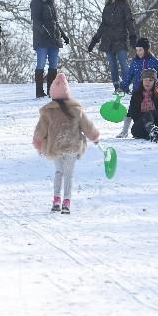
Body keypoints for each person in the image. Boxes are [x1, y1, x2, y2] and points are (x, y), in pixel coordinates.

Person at [32, 74, 100, 215]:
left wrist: (38, 143)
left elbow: (40, 131)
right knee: (69, 174)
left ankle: (56, 200)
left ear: (52, 94)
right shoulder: (76, 110)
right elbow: (87, 127)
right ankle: (66, 203)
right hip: (72, 146)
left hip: (55, 146)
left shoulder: (48, 112)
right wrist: (94, 137)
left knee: (59, 172)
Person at [88, 0, 138, 91]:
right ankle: (117, 87)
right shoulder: (107, 7)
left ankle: (126, 86)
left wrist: (133, 37)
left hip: (120, 40)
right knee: (113, 65)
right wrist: (94, 40)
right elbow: (102, 25)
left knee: (123, 64)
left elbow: (129, 21)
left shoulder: (124, 6)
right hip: (107, 41)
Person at [31, 0, 68, 98]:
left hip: (54, 38)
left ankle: (51, 91)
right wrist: (44, 31)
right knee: (40, 64)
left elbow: (55, 22)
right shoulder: (36, 1)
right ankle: (39, 91)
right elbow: (35, 20)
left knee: (53, 65)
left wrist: (63, 34)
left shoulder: (51, 2)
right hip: (42, 39)